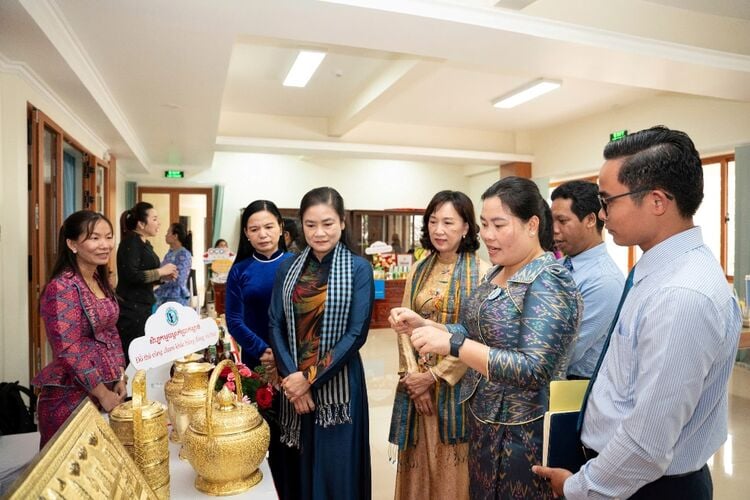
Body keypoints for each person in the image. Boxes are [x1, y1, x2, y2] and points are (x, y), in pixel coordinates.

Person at [533, 126, 743, 499]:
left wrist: (577, 488)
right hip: (621, 473)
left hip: (647, 487)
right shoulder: (658, 270)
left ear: (657, 201)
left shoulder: (681, 295)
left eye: (608, 200)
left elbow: (647, 444)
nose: (600, 212)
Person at [391, 176, 581, 499]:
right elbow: (472, 332)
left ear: (532, 224)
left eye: (499, 225)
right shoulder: (497, 271)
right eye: (484, 225)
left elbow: (533, 368)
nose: (488, 236)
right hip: (485, 424)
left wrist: (453, 345)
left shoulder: (548, 280)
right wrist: (427, 324)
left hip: (526, 434)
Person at [269, 187, 374, 500]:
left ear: (342, 222)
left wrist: (309, 379)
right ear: (300, 225)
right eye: (310, 224)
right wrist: (293, 380)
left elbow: (357, 333)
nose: (319, 232)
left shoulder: (359, 269)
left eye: (328, 223)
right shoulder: (288, 267)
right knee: (299, 466)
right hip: (294, 386)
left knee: (336, 471)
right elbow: (275, 323)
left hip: (340, 389)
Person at [388, 190, 489, 500]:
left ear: (466, 228)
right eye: (433, 221)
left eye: (448, 222)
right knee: (418, 465)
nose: (439, 230)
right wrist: (412, 379)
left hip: (457, 387)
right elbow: (405, 325)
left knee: (451, 468)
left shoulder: (483, 273)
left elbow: (477, 336)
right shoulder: (419, 268)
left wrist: (433, 377)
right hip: (418, 387)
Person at [33, 210, 127, 449]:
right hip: (70, 396)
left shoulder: (98, 279)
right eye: (95, 238)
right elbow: (68, 348)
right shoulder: (61, 287)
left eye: (109, 237)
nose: (105, 245)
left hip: (105, 387)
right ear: (72, 244)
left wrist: (119, 375)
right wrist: (103, 394)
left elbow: (110, 331)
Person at [225, 200, 296, 497]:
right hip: (258, 363)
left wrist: (284, 354)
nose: (263, 234)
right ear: (246, 233)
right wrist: (265, 351)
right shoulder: (240, 270)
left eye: (269, 227)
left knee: (296, 432)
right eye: (255, 229)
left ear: (281, 228)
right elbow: (234, 319)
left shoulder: (297, 264)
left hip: (296, 362)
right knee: (267, 432)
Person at [551, 180, 625, 379]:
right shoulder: (559, 266)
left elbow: (567, 351)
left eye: (562, 221)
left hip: (576, 387)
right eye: (552, 221)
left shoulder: (604, 281)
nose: (554, 229)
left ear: (591, 220)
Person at [116, 202, 177, 365]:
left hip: (143, 306)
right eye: (155, 219)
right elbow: (131, 275)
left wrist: (163, 278)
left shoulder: (144, 243)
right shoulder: (131, 242)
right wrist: (161, 272)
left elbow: (143, 276)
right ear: (141, 224)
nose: (159, 223)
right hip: (131, 310)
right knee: (134, 355)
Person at [154, 222, 193, 307]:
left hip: (176, 297)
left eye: (168, 232)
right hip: (163, 296)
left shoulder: (184, 254)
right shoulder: (170, 253)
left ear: (175, 236)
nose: (165, 235)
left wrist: (162, 280)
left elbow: (180, 279)